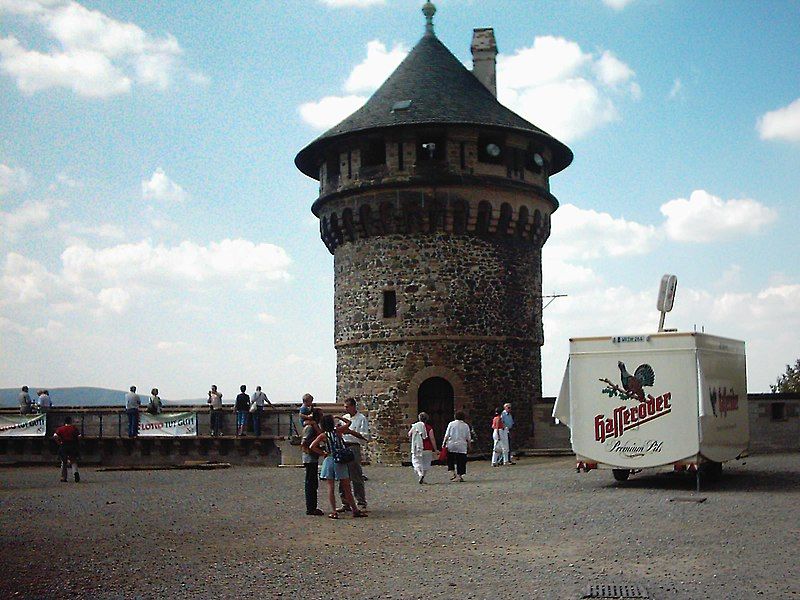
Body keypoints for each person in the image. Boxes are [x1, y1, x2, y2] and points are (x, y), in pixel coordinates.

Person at [309, 414, 366, 519]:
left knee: (330, 487)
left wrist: (323, 453)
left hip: (330, 459)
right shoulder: (338, 431)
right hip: (340, 460)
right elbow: (349, 423)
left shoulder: (324, 435)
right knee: (347, 487)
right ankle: (355, 509)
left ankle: (334, 511)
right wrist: (340, 417)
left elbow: (312, 446)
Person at [338, 397, 369, 513]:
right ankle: (345, 502)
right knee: (342, 475)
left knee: (356, 474)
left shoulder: (361, 419)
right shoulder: (344, 418)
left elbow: (364, 436)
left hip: (353, 446)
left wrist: (350, 431)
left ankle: (361, 501)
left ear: (353, 406)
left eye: (347, 406)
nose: (345, 409)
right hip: (343, 445)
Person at [300, 408, 325, 516]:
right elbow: (304, 442)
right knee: (311, 483)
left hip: (311, 458)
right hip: (310, 458)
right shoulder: (310, 427)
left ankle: (312, 507)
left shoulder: (312, 426)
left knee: (312, 483)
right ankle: (311, 508)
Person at [408, 412, 437, 484]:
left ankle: (420, 474)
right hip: (427, 448)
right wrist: (435, 449)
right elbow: (432, 438)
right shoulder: (429, 428)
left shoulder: (415, 426)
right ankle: (423, 476)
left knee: (416, 462)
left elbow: (409, 434)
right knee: (426, 463)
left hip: (418, 447)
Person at [442, 411, 472, 482]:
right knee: (461, 461)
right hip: (462, 445)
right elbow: (468, 438)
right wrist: (469, 446)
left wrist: (444, 443)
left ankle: (453, 473)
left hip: (451, 444)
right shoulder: (465, 425)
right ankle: (459, 475)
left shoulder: (451, 424)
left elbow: (447, 435)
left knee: (450, 460)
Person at [53, 416, 81, 483]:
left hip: (64, 445)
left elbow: (55, 436)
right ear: (70, 421)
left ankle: (63, 477)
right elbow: (79, 436)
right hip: (73, 445)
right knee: (73, 461)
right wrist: (77, 442)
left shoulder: (60, 429)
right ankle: (75, 473)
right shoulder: (74, 428)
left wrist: (59, 442)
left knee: (64, 461)